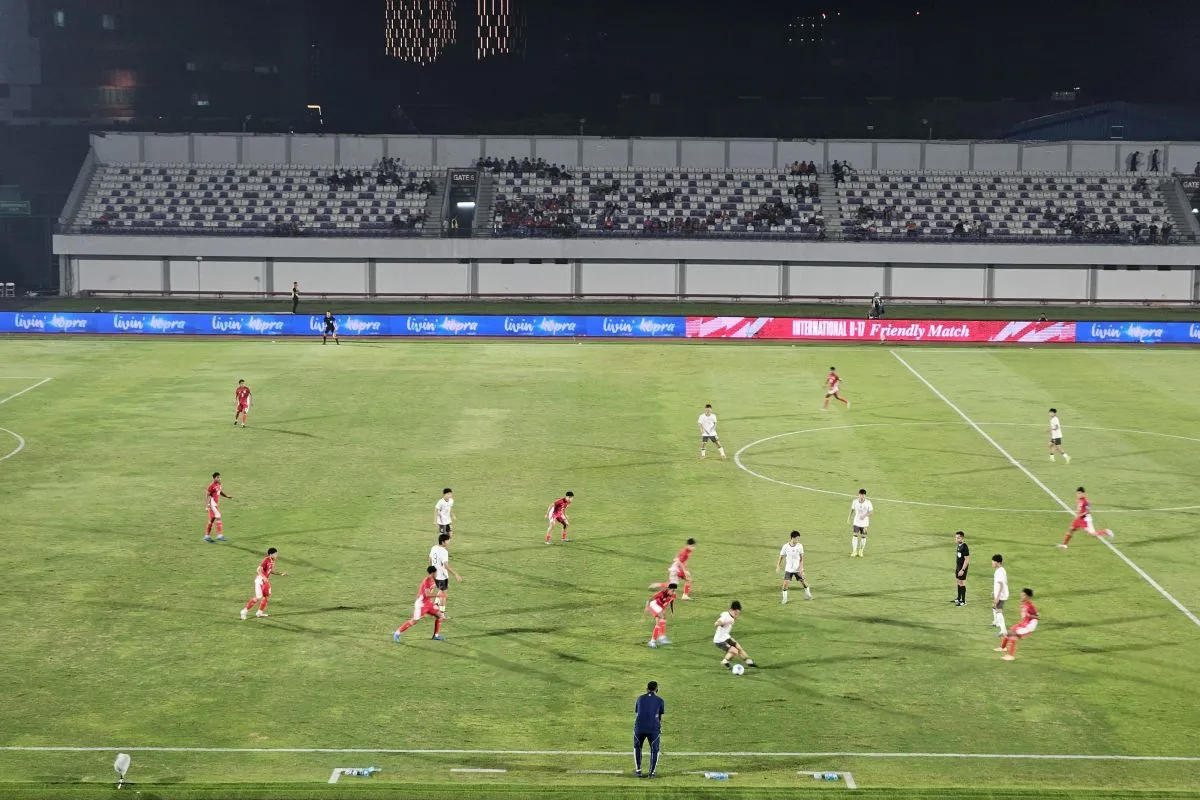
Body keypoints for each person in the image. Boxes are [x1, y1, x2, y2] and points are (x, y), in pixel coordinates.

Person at [394, 566, 445, 641]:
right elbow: (427, 594)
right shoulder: (427, 580)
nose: (437, 574)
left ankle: (436, 636)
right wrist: (438, 595)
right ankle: (397, 633)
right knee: (414, 621)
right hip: (421, 604)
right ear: (433, 573)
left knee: (440, 616)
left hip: (428, 603)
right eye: (436, 572)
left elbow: (436, 585)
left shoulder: (434, 579)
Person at [241, 547, 287, 619]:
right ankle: (244, 611)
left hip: (265, 581)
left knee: (267, 596)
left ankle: (259, 612)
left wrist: (280, 574)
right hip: (260, 580)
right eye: (275, 554)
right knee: (258, 597)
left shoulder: (272, 561)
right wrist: (264, 577)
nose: (276, 555)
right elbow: (258, 570)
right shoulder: (266, 559)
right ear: (271, 554)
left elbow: (270, 571)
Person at [995, 588, 1038, 661]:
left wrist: (1029, 615)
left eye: (1023, 595)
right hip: (1023, 623)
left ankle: (1010, 656)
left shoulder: (1031, 605)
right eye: (1021, 595)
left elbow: (1037, 617)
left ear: (1028, 597)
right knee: (1010, 630)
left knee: (1013, 635)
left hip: (1029, 626)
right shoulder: (1023, 603)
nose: (1021, 596)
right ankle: (1003, 648)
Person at [633, 681, 665, 778]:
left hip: (639, 728)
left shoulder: (640, 698)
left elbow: (637, 713)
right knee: (655, 750)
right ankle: (652, 773)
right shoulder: (660, 700)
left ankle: (638, 770)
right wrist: (659, 727)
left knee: (637, 747)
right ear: (657, 689)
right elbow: (660, 717)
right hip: (653, 728)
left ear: (647, 689)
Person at [714, 600, 757, 670]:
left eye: (738, 613)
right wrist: (722, 623)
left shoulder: (729, 614)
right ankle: (725, 662)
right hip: (720, 641)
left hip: (726, 637)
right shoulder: (726, 617)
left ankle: (750, 662)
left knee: (739, 648)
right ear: (733, 610)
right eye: (737, 612)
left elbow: (725, 614)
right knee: (735, 651)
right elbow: (716, 623)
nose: (737, 614)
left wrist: (732, 618)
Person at [429, 532, 462, 612]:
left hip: (435, 575)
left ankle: (435, 604)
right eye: (447, 541)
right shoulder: (444, 551)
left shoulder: (434, 548)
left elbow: (430, 559)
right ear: (443, 542)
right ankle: (442, 614)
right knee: (443, 594)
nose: (449, 542)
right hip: (442, 576)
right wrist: (456, 574)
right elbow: (446, 566)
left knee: (441, 589)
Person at [776, 530, 812, 603]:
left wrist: (801, 568)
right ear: (793, 538)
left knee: (803, 582)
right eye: (797, 538)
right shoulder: (785, 546)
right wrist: (778, 566)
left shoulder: (800, 546)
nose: (798, 540)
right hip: (788, 569)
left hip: (797, 569)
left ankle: (808, 595)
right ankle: (784, 599)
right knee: (785, 584)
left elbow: (801, 558)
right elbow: (781, 556)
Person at [645, 583, 677, 648]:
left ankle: (653, 641)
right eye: (672, 590)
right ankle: (661, 638)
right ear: (668, 589)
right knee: (663, 617)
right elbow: (651, 600)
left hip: (659, 606)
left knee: (659, 623)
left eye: (674, 590)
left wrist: (672, 612)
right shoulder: (662, 593)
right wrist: (647, 607)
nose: (673, 592)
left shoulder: (673, 595)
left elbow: (671, 603)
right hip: (653, 604)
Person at [205, 472, 232, 542]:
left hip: (215, 504)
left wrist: (226, 496)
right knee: (218, 516)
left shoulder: (219, 484)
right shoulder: (211, 485)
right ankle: (219, 535)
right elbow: (208, 495)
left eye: (219, 477)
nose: (219, 478)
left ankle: (207, 536)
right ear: (214, 478)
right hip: (212, 504)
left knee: (212, 519)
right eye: (217, 477)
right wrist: (207, 506)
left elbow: (219, 492)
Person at [848, 489, 873, 557]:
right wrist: (849, 518)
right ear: (858, 495)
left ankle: (861, 551)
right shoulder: (855, 501)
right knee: (855, 535)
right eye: (860, 495)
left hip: (864, 523)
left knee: (863, 536)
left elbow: (871, 512)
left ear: (865, 495)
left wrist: (864, 515)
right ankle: (854, 551)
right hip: (856, 522)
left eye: (863, 495)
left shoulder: (868, 502)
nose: (861, 496)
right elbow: (852, 510)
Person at [991, 554, 1009, 634]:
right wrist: (994, 592)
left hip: (1001, 595)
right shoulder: (1000, 570)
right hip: (998, 593)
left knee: (998, 610)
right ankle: (996, 622)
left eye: (993, 562)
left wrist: (997, 597)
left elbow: (1001, 585)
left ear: (998, 562)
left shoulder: (1000, 572)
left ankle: (1003, 630)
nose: (992, 563)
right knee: (994, 606)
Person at [953, 531, 970, 606]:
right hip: (958, 567)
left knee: (961, 583)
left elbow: (967, 560)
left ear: (962, 538)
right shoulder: (959, 545)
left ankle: (963, 601)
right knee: (958, 581)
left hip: (962, 568)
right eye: (956, 538)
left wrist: (962, 570)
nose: (956, 539)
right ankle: (958, 598)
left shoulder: (964, 547)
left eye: (958, 538)